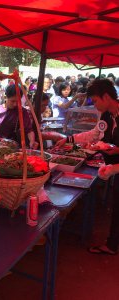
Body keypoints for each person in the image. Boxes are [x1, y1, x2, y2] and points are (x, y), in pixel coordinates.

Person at [56, 79, 119, 255]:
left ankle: (113, 244)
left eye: (96, 101)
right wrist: (69, 139)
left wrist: (112, 155)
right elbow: (95, 134)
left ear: (106, 97)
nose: (94, 105)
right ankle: (112, 244)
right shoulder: (107, 115)